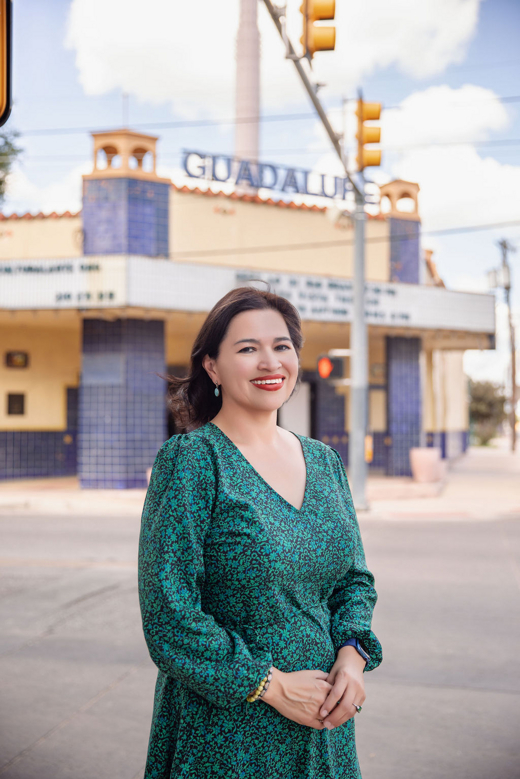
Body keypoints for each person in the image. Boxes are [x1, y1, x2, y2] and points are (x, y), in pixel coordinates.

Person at [138, 285, 383, 779]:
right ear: (212, 367)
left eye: (281, 346)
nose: (270, 363)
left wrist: (352, 658)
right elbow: (168, 613)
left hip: (323, 727)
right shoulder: (192, 461)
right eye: (248, 349)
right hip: (226, 732)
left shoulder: (323, 460)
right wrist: (270, 685)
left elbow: (353, 580)